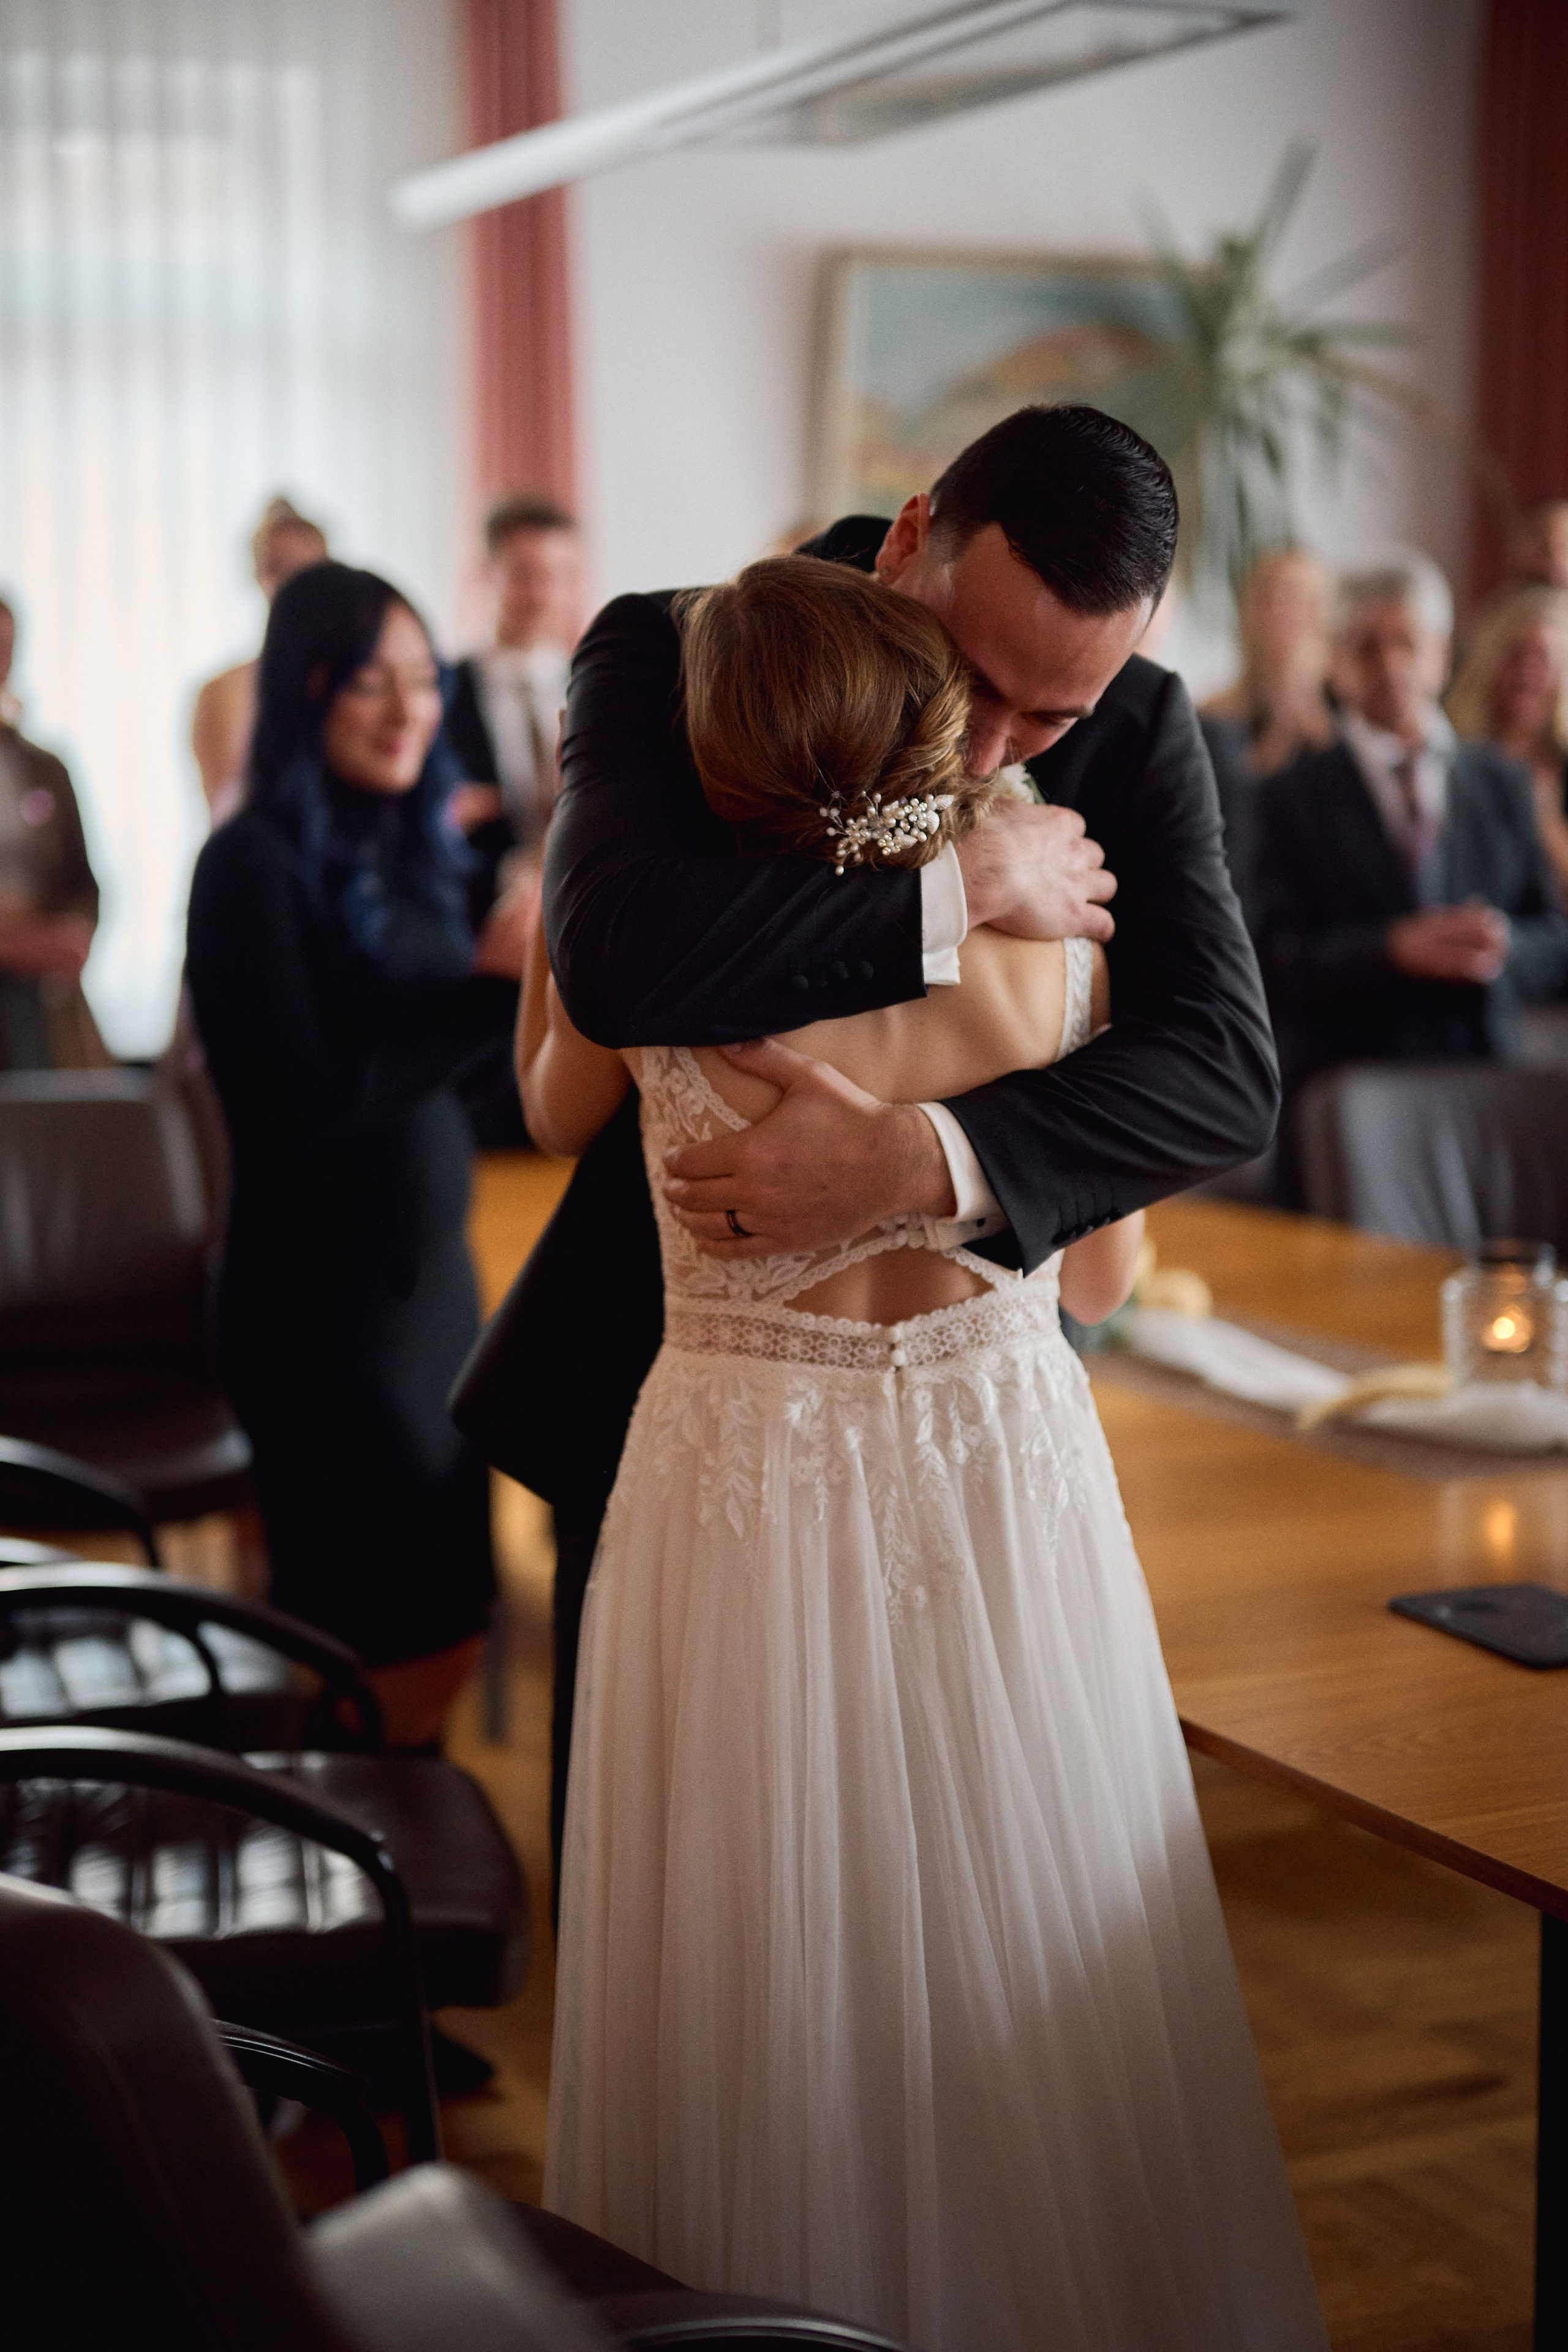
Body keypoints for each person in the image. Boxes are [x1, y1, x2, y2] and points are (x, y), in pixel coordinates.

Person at [521, 556, 1325, 2351]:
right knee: (1020, 1915)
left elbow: (550, 1092)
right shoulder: (1056, 926)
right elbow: (1103, 1267)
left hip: (738, 1477)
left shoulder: (666, 956)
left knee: (763, 1950)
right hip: (997, 1460)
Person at [458, 403, 1280, 1920]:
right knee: (688, 1896)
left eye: (1047, 724)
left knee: (969, 1885)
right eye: (972, 680)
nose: (986, 747)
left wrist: (918, 1159)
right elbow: (620, 954)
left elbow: (1224, 1072)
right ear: (911, 535)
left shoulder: (1144, 720)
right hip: (674, 1383)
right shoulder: (675, 650)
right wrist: (956, 882)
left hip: (964, 1416)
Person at [186, 562, 524, 1748]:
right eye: (370, 683)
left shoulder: (410, 849)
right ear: (307, 689)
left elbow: (437, 1074)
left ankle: (410, 1889)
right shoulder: (248, 867)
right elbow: (306, 1104)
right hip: (320, 1315)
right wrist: (492, 995)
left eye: (425, 681)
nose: (406, 710)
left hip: (428, 1293)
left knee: (447, 1623)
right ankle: (352, 1892)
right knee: (363, 1649)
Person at [1250, 551, 1568, 1192]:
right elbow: (1269, 961)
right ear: (1339, 664)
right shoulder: (1291, 794)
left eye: (1406, 643)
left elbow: (1557, 945)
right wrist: (1390, 949)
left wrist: (1501, 946)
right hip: (1349, 1104)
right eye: (1367, 646)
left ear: (1441, 656)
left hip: (1486, 1103)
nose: (1390, 664)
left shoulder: (1501, 784)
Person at [445, 491, 583, 925]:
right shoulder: (440, 693)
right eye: (525, 574)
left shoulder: (596, 689)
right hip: (474, 926)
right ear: (488, 575)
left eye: (559, 575)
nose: (543, 594)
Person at [0, 596, 108, 1069]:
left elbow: (84, 882)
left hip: (40, 994)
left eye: (5, 648)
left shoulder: (43, 769)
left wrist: (71, 937)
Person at [1199, 548, 1337, 908]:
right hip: (1247, 889)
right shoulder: (1213, 713)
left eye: (1292, 597)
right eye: (1267, 598)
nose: (1279, 611)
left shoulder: (1344, 707)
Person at [190, 496, 329, 823]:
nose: (295, 585)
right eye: (280, 568)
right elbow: (226, 811)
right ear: (259, 576)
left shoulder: (353, 680)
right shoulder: (225, 691)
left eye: (309, 570)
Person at [1446, 581, 1568, 900]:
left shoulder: (1561, 764)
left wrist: (1540, 815)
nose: (1527, 670)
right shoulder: (1449, 756)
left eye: (1541, 657)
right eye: (1514, 655)